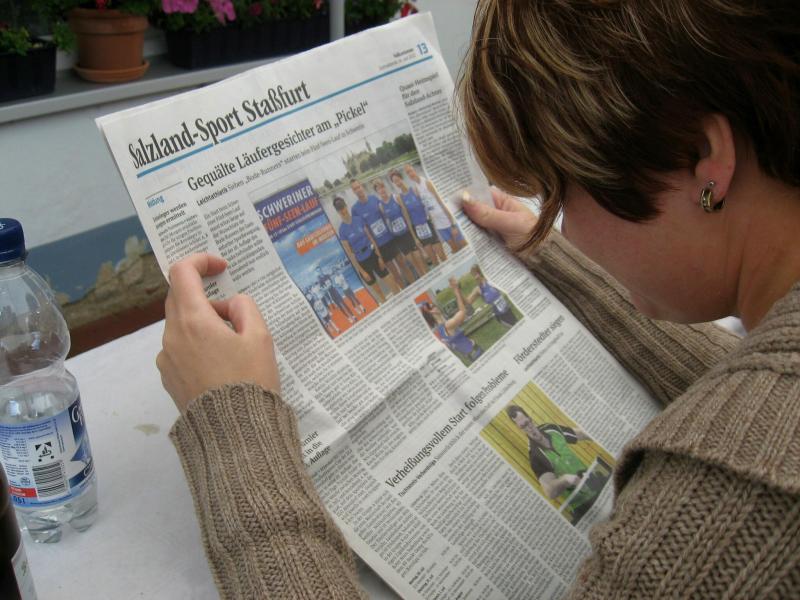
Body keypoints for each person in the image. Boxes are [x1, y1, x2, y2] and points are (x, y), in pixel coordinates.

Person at [156, 2, 800, 597]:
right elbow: (756, 381)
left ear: (705, 160)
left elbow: (750, 437)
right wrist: (563, 268)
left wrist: (235, 432)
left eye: (561, 189)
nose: (565, 230)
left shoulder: (729, 510)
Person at [505, 405, 610, 523]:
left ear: (530, 418)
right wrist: (565, 480)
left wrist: (601, 436)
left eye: (528, 422)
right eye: (523, 426)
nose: (529, 428)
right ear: (519, 428)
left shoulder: (551, 429)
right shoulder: (535, 456)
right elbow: (549, 491)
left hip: (593, 482)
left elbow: (581, 433)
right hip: (581, 503)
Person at [332, 195, 393, 303]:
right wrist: (362, 271)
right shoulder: (342, 230)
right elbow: (350, 254)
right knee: (379, 294)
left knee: (391, 281)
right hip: (362, 262)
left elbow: (371, 238)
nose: (342, 210)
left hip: (373, 254)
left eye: (343, 207)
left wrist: (379, 257)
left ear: (346, 206)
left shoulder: (358, 219)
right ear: (337, 212)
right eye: (339, 209)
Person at [349, 179, 403, 291]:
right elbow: (359, 230)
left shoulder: (374, 198)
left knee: (403, 264)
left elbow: (385, 211)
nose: (358, 190)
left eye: (359, 187)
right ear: (353, 191)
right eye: (355, 189)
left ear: (362, 186)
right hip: (379, 245)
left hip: (390, 238)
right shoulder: (355, 209)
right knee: (394, 273)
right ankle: (404, 292)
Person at [404, 163, 467, 254]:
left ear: (414, 170)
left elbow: (442, 202)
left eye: (410, 171)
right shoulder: (416, 188)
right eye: (407, 173)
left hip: (446, 219)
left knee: (463, 244)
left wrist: (453, 224)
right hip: (438, 224)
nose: (410, 174)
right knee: (454, 249)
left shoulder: (427, 183)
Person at [373, 178, 427, 282]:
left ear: (385, 187)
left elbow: (406, 215)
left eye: (382, 187)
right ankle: (423, 281)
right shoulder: (381, 206)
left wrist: (412, 233)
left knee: (419, 258)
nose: (381, 190)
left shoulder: (396, 197)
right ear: (377, 192)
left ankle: (427, 277)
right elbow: (387, 222)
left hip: (407, 232)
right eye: (378, 189)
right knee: (412, 262)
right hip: (399, 239)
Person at [419, 277, 483, 363]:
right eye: (432, 306)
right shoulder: (447, 325)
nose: (435, 306)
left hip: (470, 354)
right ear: (432, 312)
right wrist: (455, 289)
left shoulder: (441, 329)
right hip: (475, 353)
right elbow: (463, 311)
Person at [389, 169, 445, 266]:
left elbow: (426, 206)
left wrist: (433, 221)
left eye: (398, 180)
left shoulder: (415, 190)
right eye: (395, 182)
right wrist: (415, 238)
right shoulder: (400, 198)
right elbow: (407, 219)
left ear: (402, 178)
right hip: (418, 229)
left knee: (442, 255)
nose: (398, 183)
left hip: (428, 224)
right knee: (433, 260)